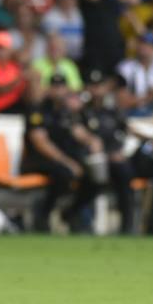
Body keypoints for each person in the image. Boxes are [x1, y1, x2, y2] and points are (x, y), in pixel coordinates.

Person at [82, 69, 153, 234]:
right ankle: (127, 224)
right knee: (123, 173)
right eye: (94, 86)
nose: (98, 91)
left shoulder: (111, 110)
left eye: (100, 86)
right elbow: (82, 137)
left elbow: (126, 128)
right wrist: (108, 155)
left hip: (123, 157)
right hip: (100, 162)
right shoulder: (83, 111)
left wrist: (151, 139)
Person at [22, 73, 102, 232]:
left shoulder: (67, 112)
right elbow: (41, 143)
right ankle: (43, 213)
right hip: (40, 159)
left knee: (95, 178)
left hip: (64, 160)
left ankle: (72, 212)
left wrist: (92, 141)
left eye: (61, 87)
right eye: (55, 87)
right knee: (64, 174)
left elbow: (79, 132)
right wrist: (68, 162)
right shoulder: (38, 110)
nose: (58, 91)